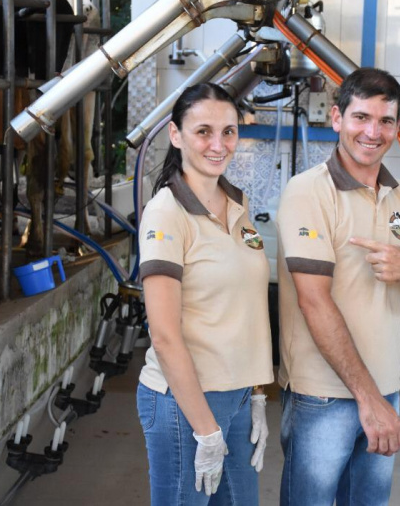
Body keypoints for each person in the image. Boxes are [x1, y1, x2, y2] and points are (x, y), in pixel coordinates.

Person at [276, 68, 400, 505]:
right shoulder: (308, 193)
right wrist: (369, 400)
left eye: (385, 121)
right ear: (337, 118)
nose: (371, 132)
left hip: (384, 388)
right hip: (320, 396)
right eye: (361, 118)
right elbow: (313, 302)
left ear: (398, 128)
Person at [136, 83, 273, 505]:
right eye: (204, 131)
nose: (219, 144)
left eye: (229, 131)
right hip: (184, 404)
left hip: (234, 395)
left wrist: (254, 392)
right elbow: (164, 335)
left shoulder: (236, 202)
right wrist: (206, 430)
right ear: (176, 136)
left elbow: (245, 306)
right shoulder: (166, 213)